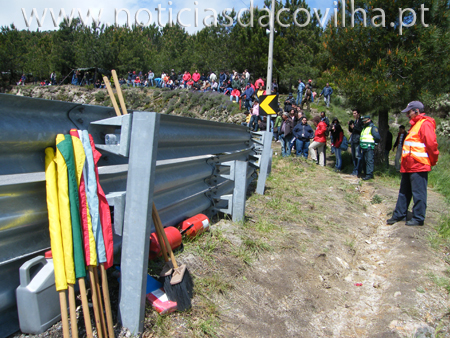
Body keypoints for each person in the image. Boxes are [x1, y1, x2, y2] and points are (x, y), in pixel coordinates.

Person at [387, 101, 439, 226]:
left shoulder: (425, 124)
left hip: (419, 165)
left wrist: (432, 161)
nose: (407, 115)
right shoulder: (414, 125)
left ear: (416, 111)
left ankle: (418, 218)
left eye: (409, 112)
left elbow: (431, 145)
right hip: (408, 166)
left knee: (418, 193)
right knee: (404, 191)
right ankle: (399, 214)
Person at [359, 116, 381, 180]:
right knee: (364, 161)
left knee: (369, 161)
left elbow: (377, 138)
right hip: (364, 147)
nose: (364, 122)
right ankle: (365, 173)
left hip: (369, 147)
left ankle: (369, 175)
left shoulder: (373, 128)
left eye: (365, 120)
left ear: (369, 120)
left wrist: (375, 144)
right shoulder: (365, 128)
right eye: (363, 121)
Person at [349, 109, 364, 176]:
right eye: (353, 113)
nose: (354, 115)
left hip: (358, 140)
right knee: (354, 156)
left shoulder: (361, 121)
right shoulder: (355, 121)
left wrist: (354, 127)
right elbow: (352, 130)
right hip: (353, 139)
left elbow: (361, 130)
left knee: (358, 156)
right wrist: (350, 126)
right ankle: (355, 169)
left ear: (359, 113)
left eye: (355, 113)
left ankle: (358, 170)